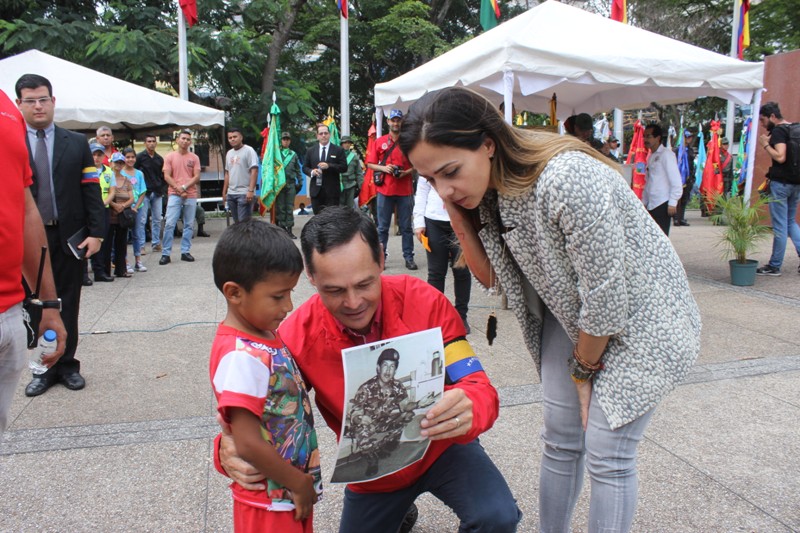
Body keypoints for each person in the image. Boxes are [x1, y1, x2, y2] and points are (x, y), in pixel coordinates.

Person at [399, 86, 701, 533]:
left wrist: (583, 370)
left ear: (487, 144)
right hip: (571, 314)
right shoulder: (486, 188)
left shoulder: (566, 177)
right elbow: (490, 277)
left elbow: (605, 296)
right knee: (560, 441)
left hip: (643, 316)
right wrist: (457, 212)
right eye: (430, 180)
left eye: (450, 172)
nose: (444, 188)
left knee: (607, 450)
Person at [217, 206, 521, 533]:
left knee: (497, 517)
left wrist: (472, 403)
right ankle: (399, 511)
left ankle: (401, 511)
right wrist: (225, 449)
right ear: (311, 275)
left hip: (442, 450)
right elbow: (262, 409)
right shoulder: (295, 338)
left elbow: (476, 382)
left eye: (365, 284)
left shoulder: (426, 302)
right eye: (333, 290)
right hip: (373, 474)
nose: (353, 302)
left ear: (379, 258)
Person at [210, 220, 321, 532]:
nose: (288, 306)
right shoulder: (242, 356)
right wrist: (298, 482)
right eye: (277, 296)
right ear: (234, 292)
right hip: (269, 500)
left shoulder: (262, 338)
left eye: (290, 293)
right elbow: (246, 442)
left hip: (284, 494)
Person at [16, 74, 105, 397]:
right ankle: (43, 368)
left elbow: (91, 189)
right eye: (30, 100)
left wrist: (97, 233)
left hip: (68, 235)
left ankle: (67, 365)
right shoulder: (12, 141)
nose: (38, 106)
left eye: (43, 99)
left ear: (53, 102)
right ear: (19, 104)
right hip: (27, 240)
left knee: (68, 302)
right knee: (37, 304)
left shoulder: (77, 143)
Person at [0, 88, 66, 431]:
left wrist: (50, 305)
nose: (37, 106)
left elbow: (24, 210)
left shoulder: (7, 114)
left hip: (10, 310)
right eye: (31, 100)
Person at [348, 348, 430, 478]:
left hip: (385, 421)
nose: (388, 370)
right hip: (368, 425)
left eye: (392, 367)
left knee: (408, 416)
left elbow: (405, 406)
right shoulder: (366, 388)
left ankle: (384, 446)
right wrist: (360, 419)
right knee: (361, 431)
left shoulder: (397, 386)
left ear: (395, 370)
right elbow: (354, 413)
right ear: (378, 367)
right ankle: (372, 459)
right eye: (385, 365)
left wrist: (420, 403)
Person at [413, 175, 472, 333]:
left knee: (462, 271)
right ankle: (436, 317)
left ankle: (461, 316)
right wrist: (418, 222)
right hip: (433, 219)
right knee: (436, 272)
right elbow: (422, 190)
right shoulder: (427, 157)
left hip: (460, 219)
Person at [366, 109, 418, 270]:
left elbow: (417, 164)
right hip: (385, 190)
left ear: (402, 122)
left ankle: (409, 257)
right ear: (388, 122)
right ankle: (381, 258)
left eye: (398, 120)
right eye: (393, 120)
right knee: (382, 227)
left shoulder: (409, 141)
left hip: (405, 189)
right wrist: (384, 168)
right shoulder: (379, 141)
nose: (395, 123)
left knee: (406, 227)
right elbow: (369, 164)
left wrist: (406, 172)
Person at [756, 101, 800, 276]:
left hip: (781, 184)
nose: (762, 123)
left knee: (780, 226)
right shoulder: (794, 129)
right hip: (796, 183)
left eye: (763, 120)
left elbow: (780, 157)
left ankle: (774, 265)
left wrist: (765, 145)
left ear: (773, 116)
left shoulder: (779, 131)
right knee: (790, 222)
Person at [160, 130, 201, 265]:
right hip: (174, 194)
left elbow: (196, 177)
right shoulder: (170, 157)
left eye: (188, 139)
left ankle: (185, 251)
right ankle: (166, 253)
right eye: (183, 138)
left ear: (190, 142)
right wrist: (179, 188)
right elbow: (167, 176)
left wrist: (184, 187)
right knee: (170, 223)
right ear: (177, 140)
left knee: (189, 224)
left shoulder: (194, 157)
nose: (185, 141)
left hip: (190, 194)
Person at [642, 123, 683, 235]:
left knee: (661, 238)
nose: (645, 139)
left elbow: (676, 180)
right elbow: (649, 182)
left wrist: (673, 202)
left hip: (662, 203)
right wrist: (644, 202)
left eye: (649, 136)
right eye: (644, 136)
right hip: (652, 203)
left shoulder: (666, 155)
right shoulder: (651, 156)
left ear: (658, 138)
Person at [304, 124, 347, 215]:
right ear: (317, 136)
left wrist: (329, 166)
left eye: (326, 133)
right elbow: (305, 167)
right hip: (316, 191)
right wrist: (312, 172)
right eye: (321, 133)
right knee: (318, 219)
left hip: (332, 192)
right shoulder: (311, 151)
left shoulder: (338, 150)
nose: (323, 135)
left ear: (329, 134)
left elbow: (344, 167)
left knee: (331, 219)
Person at [135, 134, 166, 253]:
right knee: (142, 220)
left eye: (153, 141)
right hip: (144, 192)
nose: (151, 143)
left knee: (157, 219)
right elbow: (135, 173)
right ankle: (141, 245)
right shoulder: (140, 157)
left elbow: (163, 175)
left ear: (156, 143)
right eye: (149, 141)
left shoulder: (159, 159)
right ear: (145, 143)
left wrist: (162, 188)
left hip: (157, 192)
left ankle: (156, 243)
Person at [89, 143, 115, 283]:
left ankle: (100, 271)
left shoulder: (108, 172)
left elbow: (112, 191)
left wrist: (104, 203)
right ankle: (83, 275)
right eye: (94, 154)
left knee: (102, 240)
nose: (96, 158)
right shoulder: (85, 170)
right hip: (88, 210)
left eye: (99, 155)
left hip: (103, 209)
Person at [223, 127, 259, 224]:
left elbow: (254, 171)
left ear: (241, 137)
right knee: (237, 224)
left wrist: (251, 190)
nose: (232, 139)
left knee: (244, 225)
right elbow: (227, 173)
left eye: (235, 137)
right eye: (230, 138)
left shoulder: (249, 150)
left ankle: (249, 239)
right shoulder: (229, 153)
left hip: (244, 193)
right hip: (231, 193)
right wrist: (224, 192)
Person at [106, 153, 134, 278]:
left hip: (122, 216)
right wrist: (113, 204)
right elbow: (104, 194)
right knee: (107, 243)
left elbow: (132, 198)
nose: (118, 165)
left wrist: (122, 206)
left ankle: (121, 269)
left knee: (121, 244)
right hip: (109, 215)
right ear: (111, 163)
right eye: (116, 162)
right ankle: (105, 271)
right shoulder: (107, 177)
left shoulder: (127, 180)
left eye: (121, 163)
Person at [122, 147, 148, 272]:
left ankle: (138, 260)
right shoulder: (120, 173)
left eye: (132, 157)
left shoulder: (139, 173)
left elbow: (143, 191)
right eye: (127, 157)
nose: (130, 159)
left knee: (137, 234)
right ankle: (126, 262)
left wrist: (136, 206)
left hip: (137, 208)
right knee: (124, 236)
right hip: (124, 208)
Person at [277, 131, 301, 238]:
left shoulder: (293, 154)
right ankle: (282, 229)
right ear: (281, 141)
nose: (285, 141)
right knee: (281, 207)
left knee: (289, 207)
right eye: (284, 139)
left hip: (291, 184)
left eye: (287, 139)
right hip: (280, 184)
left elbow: (297, 169)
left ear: (290, 141)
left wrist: (300, 182)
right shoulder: (277, 154)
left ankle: (289, 229)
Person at [673, 129, 696, 226]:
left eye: (690, 137)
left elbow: (691, 164)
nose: (689, 139)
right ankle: (675, 218)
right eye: (687, 137)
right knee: (677, 199)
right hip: (678, 177)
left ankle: (681, 218)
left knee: (684, 199)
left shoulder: (690, 150)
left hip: (688, 177)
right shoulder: (678, 150)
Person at [339, 135, 363, 208]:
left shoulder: (354, 157)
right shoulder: (337, 155)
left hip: (351, 185)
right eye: (345, 143)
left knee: (350, 207)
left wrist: (361, 186)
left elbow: (359, 173)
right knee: (340, 207)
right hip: (340, 185)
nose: (346, 144)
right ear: (341, 144)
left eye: (348, 143)